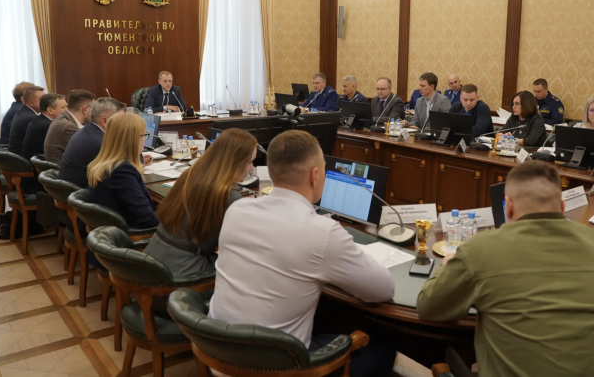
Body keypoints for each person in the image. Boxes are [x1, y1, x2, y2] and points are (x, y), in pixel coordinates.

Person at [208, 130, 396, 377]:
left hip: (218, 354)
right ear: (315, 175)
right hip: (274, 368)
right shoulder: (323, 232)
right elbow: (383, 290)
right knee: (382, 346)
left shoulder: (237, 210)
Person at [416, 161, 594, 377]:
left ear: (509, 207)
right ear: (562, 208)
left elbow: (429, 307)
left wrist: (447, 265)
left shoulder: (481, 249)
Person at [144, 129, 256, 281]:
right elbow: (240, 246)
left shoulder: (191, 174)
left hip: (153, 260)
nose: (252, 168)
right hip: (179, 274)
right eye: (249, 162)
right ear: (235, 162)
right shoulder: (228, 195)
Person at [87, 112, 158, 230]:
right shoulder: (121, 171)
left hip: (113, 228)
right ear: (133, 139)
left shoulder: (104, 163)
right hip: (130, 233)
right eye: (144, 135)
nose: (144, 140)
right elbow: (147, 219)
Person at [59, 98, 125, 188]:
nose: (124, 124)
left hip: (72, 189)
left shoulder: (87, 130)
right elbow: (119, 175)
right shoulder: (99, 142)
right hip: (83, 191)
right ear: (104, 121)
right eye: (121, 119)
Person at [44, 89, 95, 163]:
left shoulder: (63, 117)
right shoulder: (68, 127)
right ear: (85, 109)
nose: (95, 112)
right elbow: (89, 153)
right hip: (62, 169)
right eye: (93, 109)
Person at [22, 93, 67, 160]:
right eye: (63, 107)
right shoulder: (48, 125)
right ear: (50, 110)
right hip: (38, 164)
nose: (67, 110)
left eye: (66, 106)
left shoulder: (37, 119)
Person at [8, 86, 45, 155]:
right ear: (31, 102)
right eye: (42, 100)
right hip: (21, 158)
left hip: (16, 156)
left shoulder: (22, 111)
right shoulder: (31, 117)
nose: (46, 103)